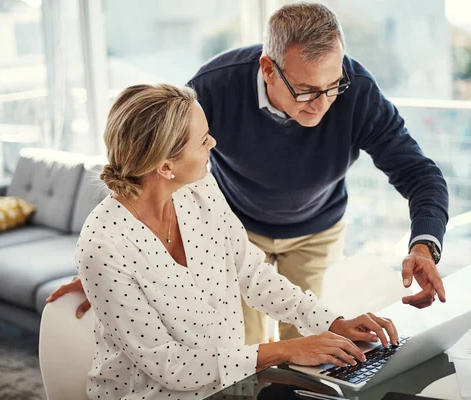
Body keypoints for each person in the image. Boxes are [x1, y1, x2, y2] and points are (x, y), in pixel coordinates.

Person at [48, 2, 448, 345]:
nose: (324, 103)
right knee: (240, 346)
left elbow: (419, 172)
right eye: (307, 90)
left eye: (333, 85)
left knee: (311, 343)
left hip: (315, 229)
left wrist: (424, 247)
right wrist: (114, 270)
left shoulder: (356, 91)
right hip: (233, 228)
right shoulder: (213, 89)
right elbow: (147, 165)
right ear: (268, 68)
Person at [74, 82, 399, 399]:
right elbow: (166, 364)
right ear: (166, 166)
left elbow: (253, 274)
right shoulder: (103, 246)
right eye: (202, 141)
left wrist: (330, 322)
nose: (213, 143)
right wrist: (286, 349)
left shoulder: (200, 189)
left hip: (233, 387)